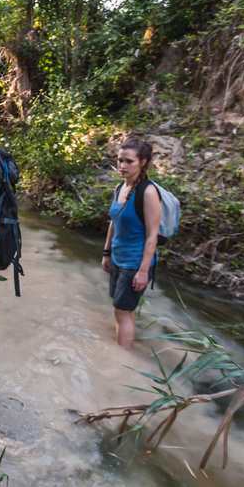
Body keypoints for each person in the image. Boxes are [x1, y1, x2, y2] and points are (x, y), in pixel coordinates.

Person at [101, 139, 161, 351]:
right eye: (120, 160)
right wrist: (106, 253)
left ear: (142, 162)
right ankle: (124, 344)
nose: (122, 165)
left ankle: (121, 359)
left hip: (135, 262)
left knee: (120, 310)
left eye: (129, 161)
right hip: (117, 257)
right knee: (124, 310)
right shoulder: (120, 187)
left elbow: (153, 235)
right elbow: (114, 221)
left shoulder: (148, 192)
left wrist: (143, 271)